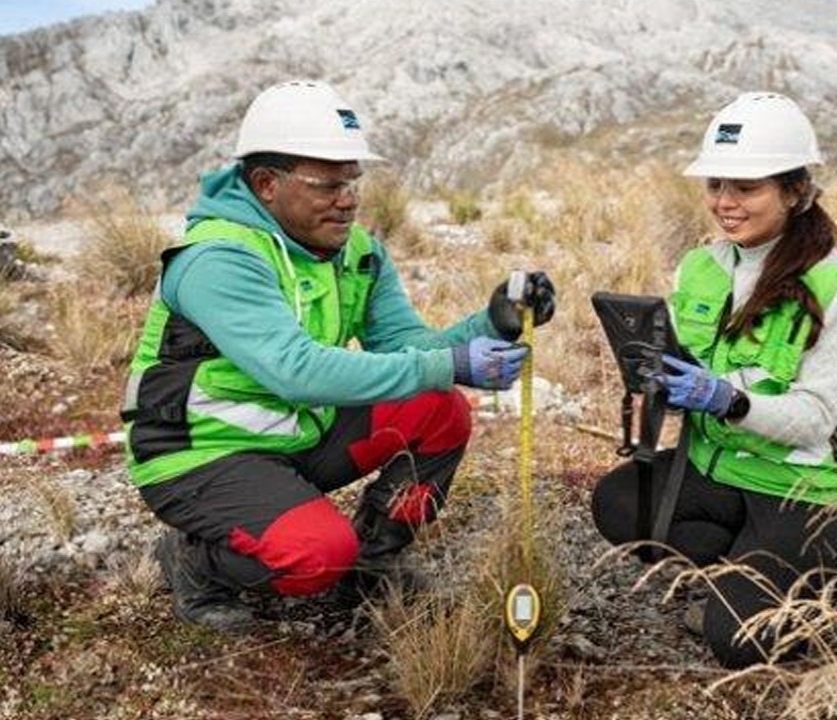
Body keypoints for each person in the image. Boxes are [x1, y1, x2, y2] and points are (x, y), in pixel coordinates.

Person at [121, 79, 556, 632]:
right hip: (199, 454)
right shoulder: (218, 258)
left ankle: (375, 563)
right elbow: (296, 371)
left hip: (295, 433)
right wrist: (452, 363)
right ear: (266, 184)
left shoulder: (357, 252)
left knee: (440, 408)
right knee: (318, 554)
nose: (348, 198)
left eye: (353, 181)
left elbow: (408, 347)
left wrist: (491, 322)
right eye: (327, 184)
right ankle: (195, 561)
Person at [590, 92, 837, 669]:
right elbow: (684, 363)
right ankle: (757, 571)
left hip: (819, 493)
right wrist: (653, 386)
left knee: (738, 642)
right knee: (620, 501)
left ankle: (825, 583)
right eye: (715, 185)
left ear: (795, 192)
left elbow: (812, 420)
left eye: (746, 188)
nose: (725, 203)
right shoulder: (701, 268)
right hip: (731, 469)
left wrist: (724, 398)